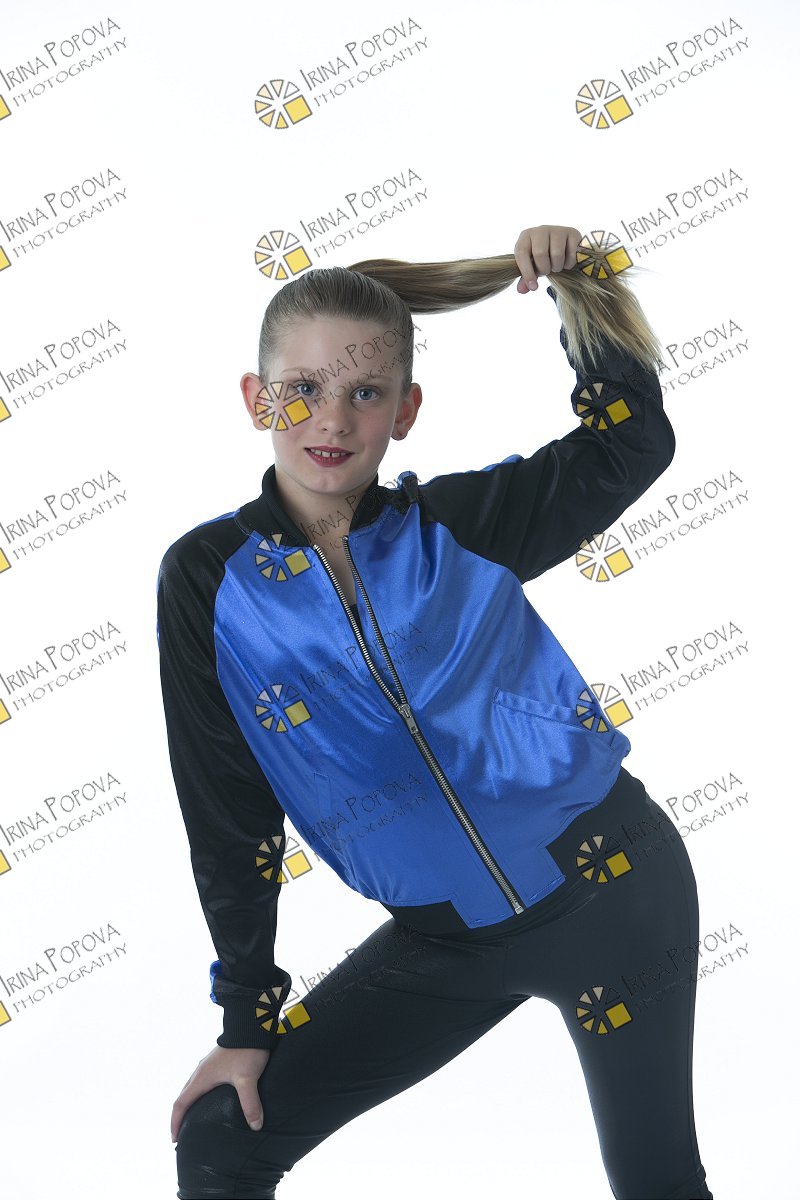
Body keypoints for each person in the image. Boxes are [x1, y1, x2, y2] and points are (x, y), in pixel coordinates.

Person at [155, 226, 714, 1199]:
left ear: (406, 410)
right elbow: (228, 811)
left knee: (656, 1181)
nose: (331, 419)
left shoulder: (462, 527)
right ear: (256, 400)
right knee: (221, 1141)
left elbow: (631, 442)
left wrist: (576, 287)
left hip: (615, 890)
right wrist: (247, 1023)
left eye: (366, 392)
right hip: (443, 943)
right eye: (302, 389)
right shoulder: (208, 582)